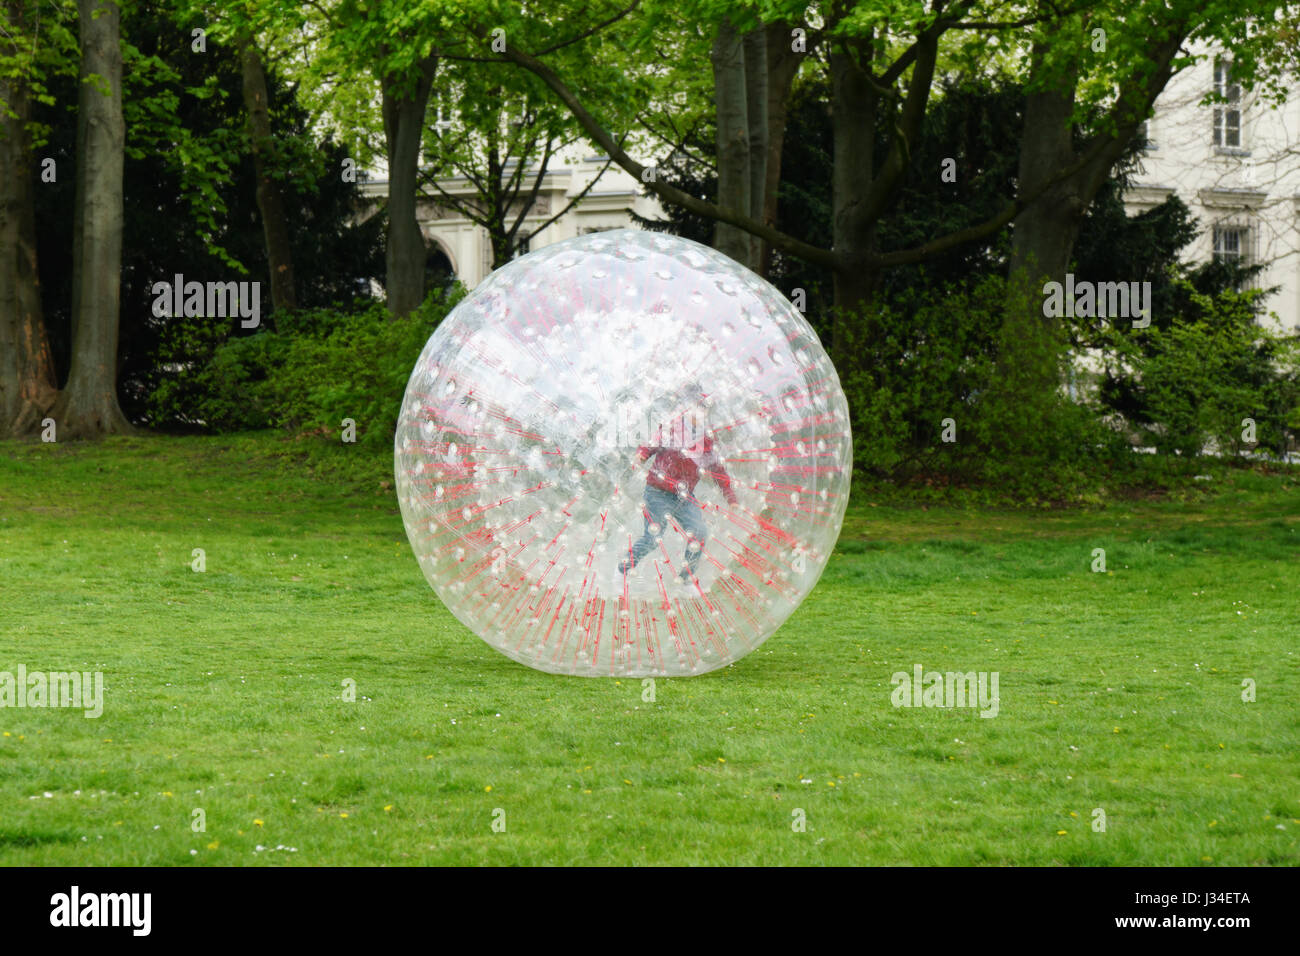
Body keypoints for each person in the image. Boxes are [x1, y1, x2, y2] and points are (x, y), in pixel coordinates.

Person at [618, 386, 738, 583]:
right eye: (697, 407)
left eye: (704, 408)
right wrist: (642, 455)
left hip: (684, 496)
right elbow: (652, 442)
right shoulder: (672, 427)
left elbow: (718, 469)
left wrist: (730, 497)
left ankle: (685, 580)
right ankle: (622, 570)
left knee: (699, 533)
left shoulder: (706, 440)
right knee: (652, 539)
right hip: (657, 491)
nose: (700, 412)